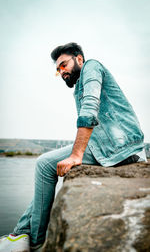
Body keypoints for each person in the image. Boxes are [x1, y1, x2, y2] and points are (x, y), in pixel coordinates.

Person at [0, 42, 146, 252]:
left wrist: (77, 154)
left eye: (64, 64)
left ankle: (35, 242)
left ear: (79, 59)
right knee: (48, 167)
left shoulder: (92, 67)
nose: (61, 72)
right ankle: (20, 232)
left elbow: (90, 106)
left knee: (44, 164)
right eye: (58, 69)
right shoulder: (79, 86)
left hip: (120, 147)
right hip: (110, 146)